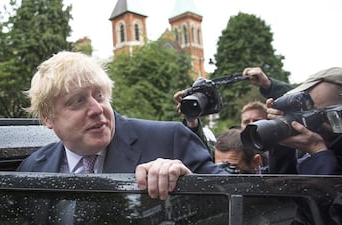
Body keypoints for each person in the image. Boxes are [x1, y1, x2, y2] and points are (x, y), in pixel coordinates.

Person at [17, 51, 226, 201]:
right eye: (78, 101)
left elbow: (241, 199)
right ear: (48, 118)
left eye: (99, 95)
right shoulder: (32, 168)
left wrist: (191, 184)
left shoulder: (170, 140)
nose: (97, 109)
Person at [263, 67, 342, 175]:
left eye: (324, 115)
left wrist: (318, 151)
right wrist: (282, 140)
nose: (311, 119)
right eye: (306, 109)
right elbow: (283, 188)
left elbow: (330, 191)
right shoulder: (309, 153)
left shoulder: (322, 150)